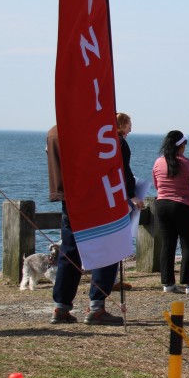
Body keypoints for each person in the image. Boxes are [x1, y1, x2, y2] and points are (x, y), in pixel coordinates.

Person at [46, 125, 124, 325]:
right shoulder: (89, 127)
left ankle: (61, 306)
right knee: (106, 247)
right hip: (95, 194)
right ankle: (96, 306)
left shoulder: (55, 131)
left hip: (69, 196)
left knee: (69, 250)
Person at [153, 130, 189, 295]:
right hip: (183, 206)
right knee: (187, 245)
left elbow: (157, 184)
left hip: (162, 205)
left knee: (167, 244)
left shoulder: (158, 162)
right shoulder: (188, 163)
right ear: (181, 146)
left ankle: (168, 283)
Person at [112, 112, 146, 290]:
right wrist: (131, 194)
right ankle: (112, 279)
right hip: (122, 195)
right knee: (117, 236)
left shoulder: (111, 142)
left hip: (116, 192)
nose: (131, 128)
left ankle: (111, 278)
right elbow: (123, 169)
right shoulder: (120, 143)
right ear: (121, 125)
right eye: (128, 125)